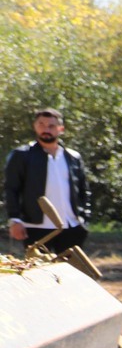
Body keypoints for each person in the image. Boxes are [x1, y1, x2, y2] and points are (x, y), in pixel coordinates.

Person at [5, 107, 90, 255]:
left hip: (71, 225)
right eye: (41, 125)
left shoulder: (72, 157)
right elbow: (11, 188)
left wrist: (85, 218)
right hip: (36, 226)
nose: (46, 129)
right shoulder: (22, 155)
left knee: (70, 273)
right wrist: (15, 219)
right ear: (35, 126)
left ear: (61, 129)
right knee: (38, 272)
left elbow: (84, 189)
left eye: (51, 126)